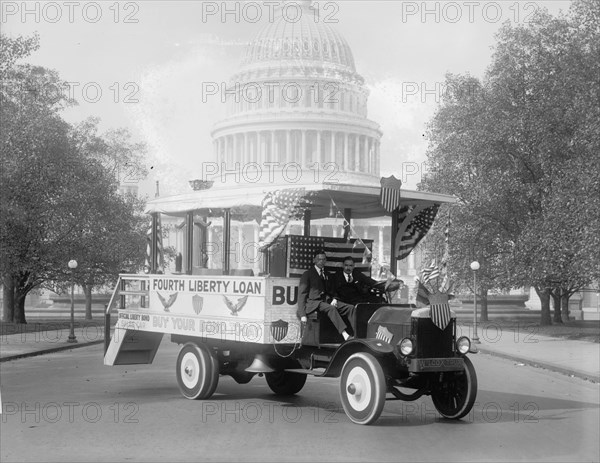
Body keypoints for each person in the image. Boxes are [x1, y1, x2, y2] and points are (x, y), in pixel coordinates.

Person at [297, 252, 355, 341]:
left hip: (326, 301)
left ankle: (356, 334)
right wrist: (302, 315)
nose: (321, 261)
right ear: (314, 260)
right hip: (314, 303)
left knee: (350, 308)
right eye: (319, 259)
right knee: (331, 308)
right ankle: (345, 335)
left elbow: (333, 290)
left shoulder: (327, 274)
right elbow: (302, 295)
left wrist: (335, 299)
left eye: (323, 259)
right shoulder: (307, 274)